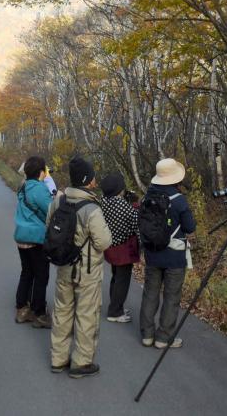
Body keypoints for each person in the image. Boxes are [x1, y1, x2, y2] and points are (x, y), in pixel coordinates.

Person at [48, 156, 112, 378]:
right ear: (89, 180)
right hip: (87, 272)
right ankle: (81, 363)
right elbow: (103, 242)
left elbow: (50, 228)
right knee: (86, 316)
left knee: (62, 312)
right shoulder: (91, 209)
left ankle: (58, 359)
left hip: (64, 266)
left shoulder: (59, 201)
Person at [140, 158, 196, 350]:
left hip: (152, 253)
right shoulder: (179, 200)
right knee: (171, 297)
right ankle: (163, 338)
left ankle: (147, 335)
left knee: (150, 293)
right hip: (174, 256)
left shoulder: (147, 197)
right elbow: (190, 227)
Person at [13, 156, 53, 328]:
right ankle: (39, 313)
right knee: (41, 275)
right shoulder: (39, 189)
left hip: (21, 236)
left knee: (27, 272)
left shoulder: (23, 186)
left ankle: (22, 309)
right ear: (41, 172)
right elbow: (50, 210)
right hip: (36, 237)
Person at [99, 173, 140, 323]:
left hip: (111, 245)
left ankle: (116, 305)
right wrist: (135, 204)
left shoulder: (104, 201)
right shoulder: (121, 204)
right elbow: (136, 220)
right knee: (122, 280)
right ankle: (115, 311)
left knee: (116, 278)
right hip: (123, 247)